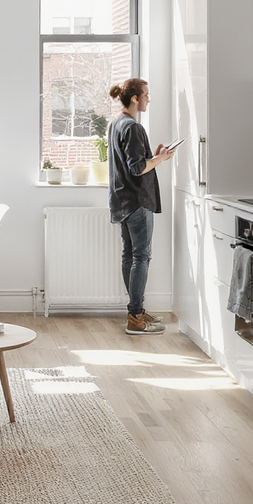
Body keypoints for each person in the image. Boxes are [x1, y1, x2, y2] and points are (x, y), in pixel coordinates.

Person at [106, 78, 174, 335]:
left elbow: (132, 162)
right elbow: (137, 168)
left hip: (121, 200)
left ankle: (137, 310)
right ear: (135, 98)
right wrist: (161, 158)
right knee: (141, 257)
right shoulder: (133, 127)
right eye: (145, 94)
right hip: (137, 201)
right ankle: (135, 316)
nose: (148, 99)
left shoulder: (115, 123)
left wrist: (154, 156)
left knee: (129, 256)